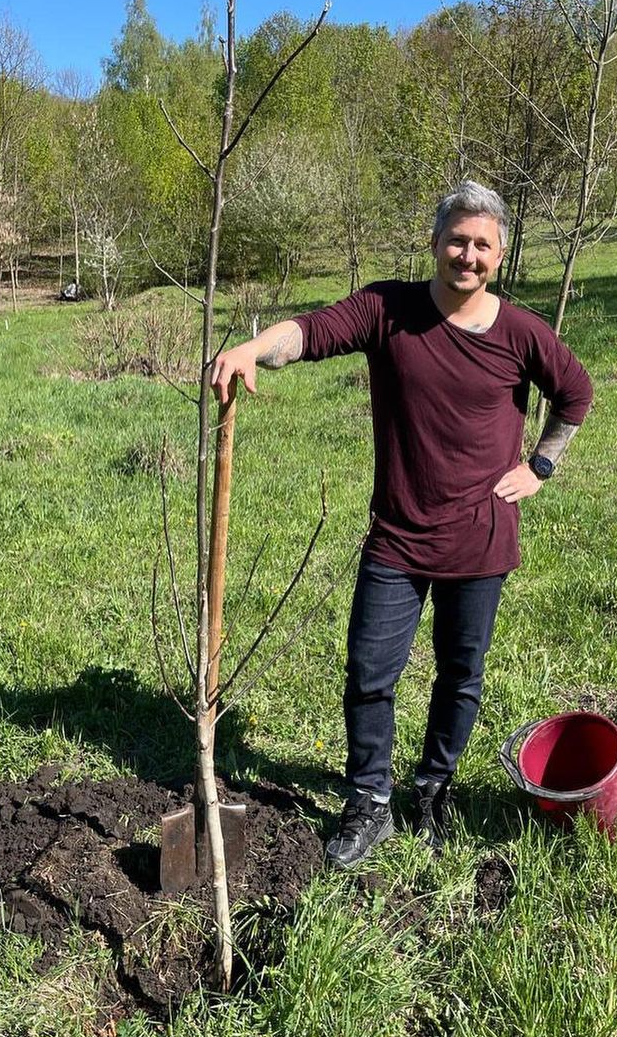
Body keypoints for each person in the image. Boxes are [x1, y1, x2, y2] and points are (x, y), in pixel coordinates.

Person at [211, 181, 593, 868]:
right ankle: (370, 801)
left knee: (460, 673)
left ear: (499, 255)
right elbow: (309, 333)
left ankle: (433, 788)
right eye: (456, 240)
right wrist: (250, 347)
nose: (466, 255)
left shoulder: (521, 333)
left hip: (481, 538)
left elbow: (575, 393)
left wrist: (540, 466)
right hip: (398, 535)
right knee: (369, 671)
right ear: (436, 243)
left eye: (481, 245)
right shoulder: (388, 309)